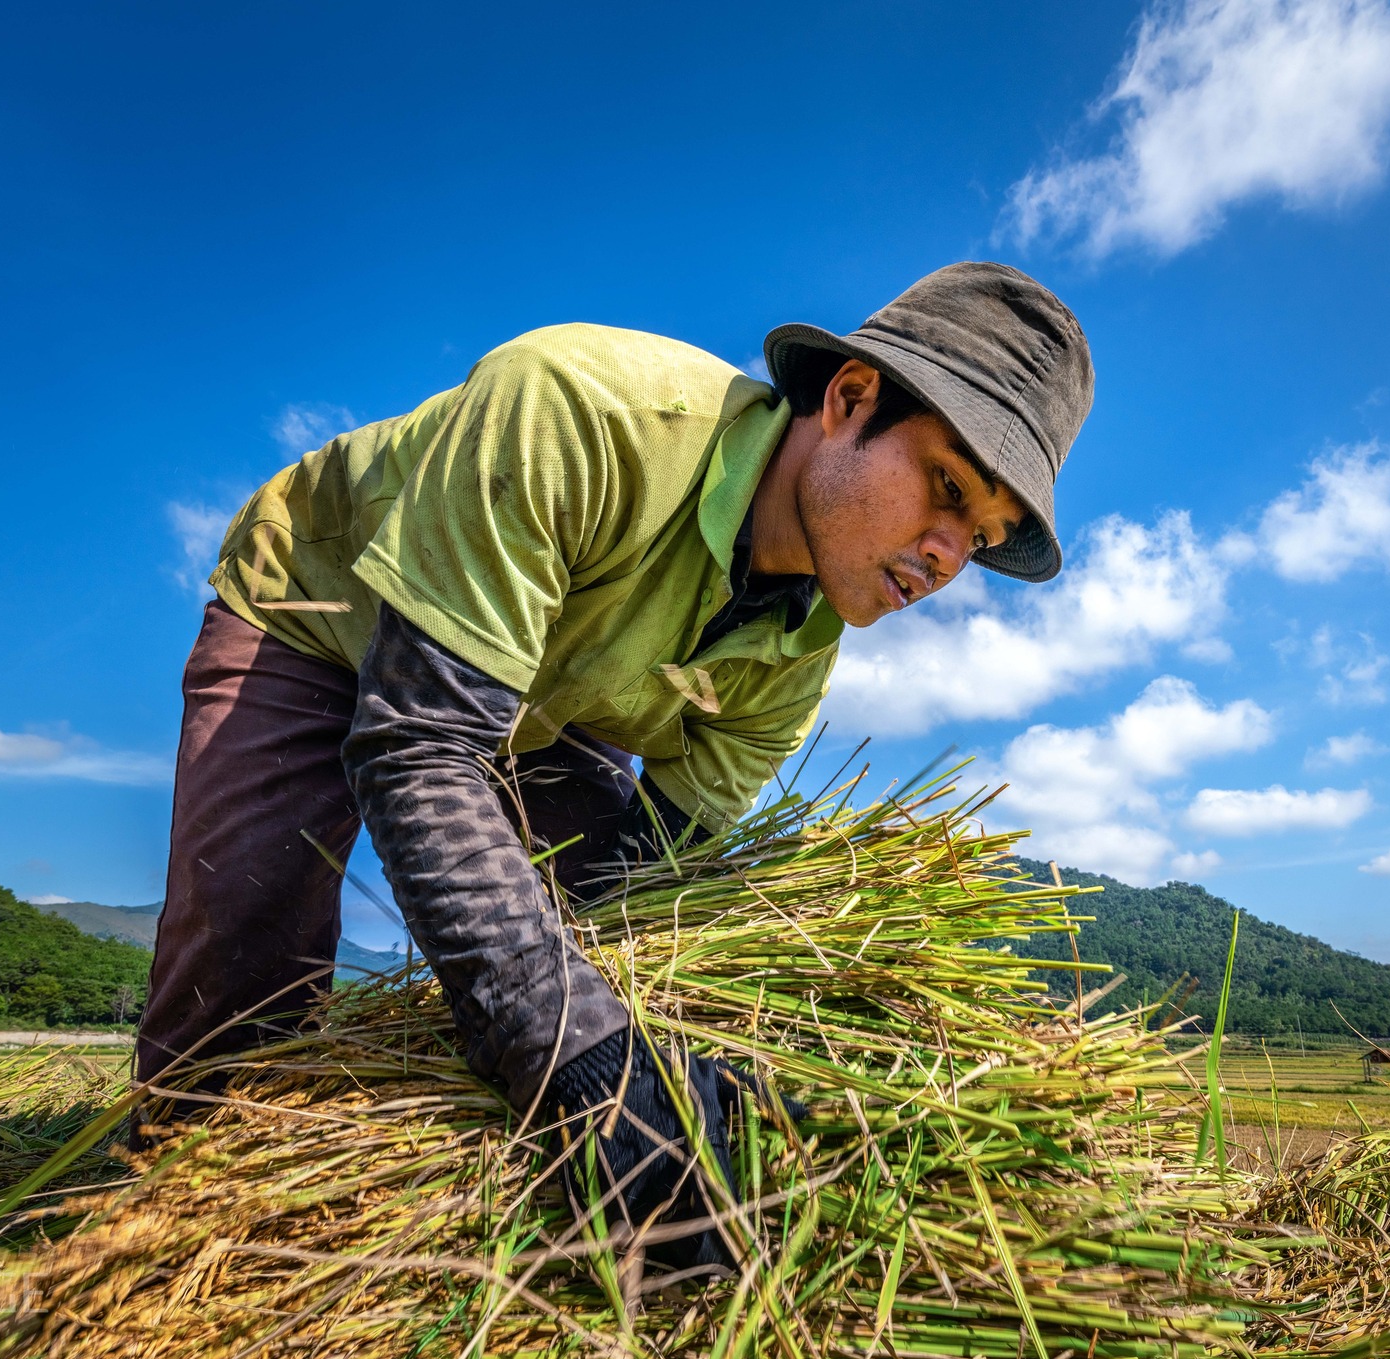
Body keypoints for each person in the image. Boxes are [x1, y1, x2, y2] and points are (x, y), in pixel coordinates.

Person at [134, 263, 1094, 1271]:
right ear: (848, 398)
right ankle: (159, 1243)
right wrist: (576, 1056)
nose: (946, 556)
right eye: (946, 488)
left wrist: (659, 1075)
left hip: (558, 694)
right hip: (320, 615)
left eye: (977, 538)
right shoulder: (582, 412)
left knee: (592, 938)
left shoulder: (796, 655)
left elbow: (641, 877)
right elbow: (421, 744)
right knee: (241, 979)